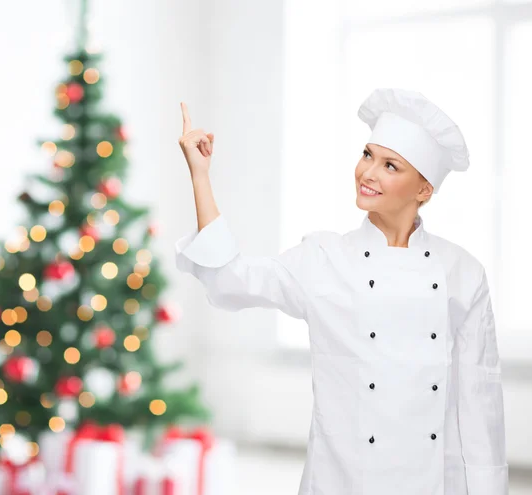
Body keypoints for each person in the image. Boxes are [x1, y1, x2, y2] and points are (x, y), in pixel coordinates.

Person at [174, 88, 508, 495]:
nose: (368, 173)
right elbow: (231, 280)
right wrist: (201, 176)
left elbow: (479, 401)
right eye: (367, 155)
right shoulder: (324, 257)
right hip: (341, 480)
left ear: (424, 190)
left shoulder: (463, 272)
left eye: (390, 165)